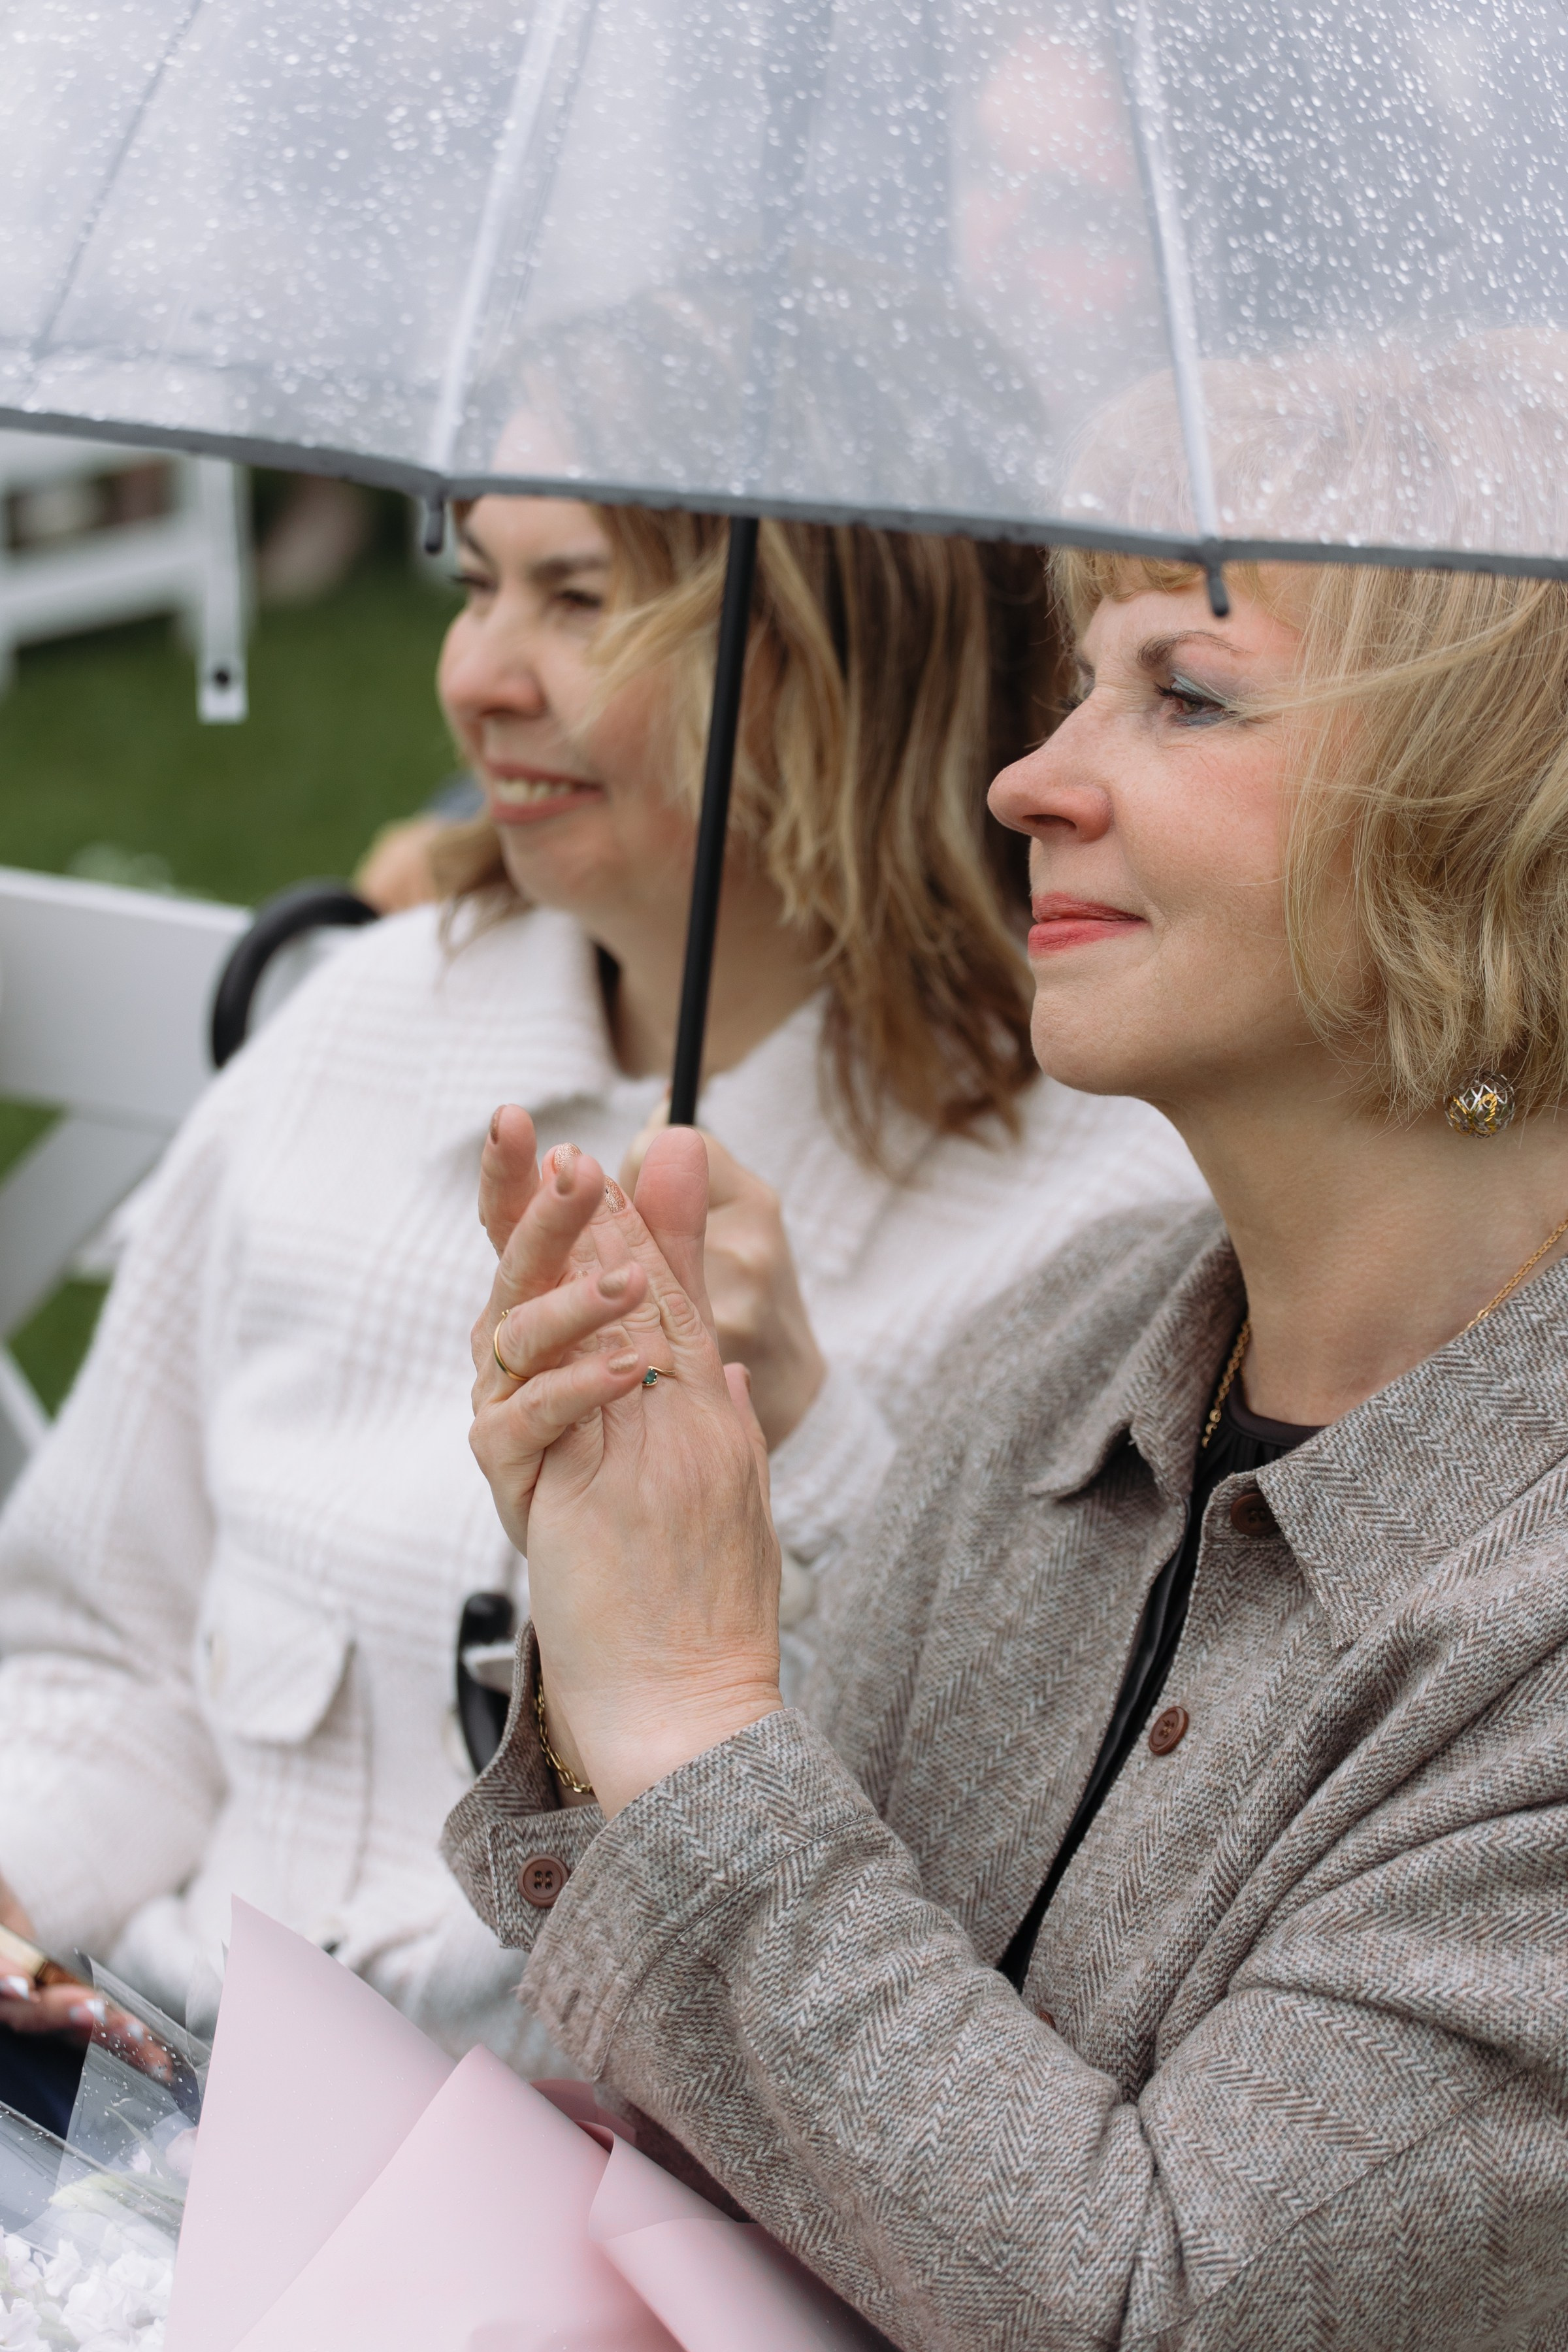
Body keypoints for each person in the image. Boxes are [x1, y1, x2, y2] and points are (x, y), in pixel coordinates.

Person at [447, 350, 1568, 2347]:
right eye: (1078, 683)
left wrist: (690, 1721)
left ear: (1498, 813)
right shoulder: (1067, 1353)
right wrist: (631, 1605)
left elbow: (1160, 2309)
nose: (1028, 778)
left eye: (1188, 693)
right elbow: (732, 2130)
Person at [0, 496, 1202, 2098]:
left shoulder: (1098, 1205)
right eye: (473, 585)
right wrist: (23, 1886)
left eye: (579, 601)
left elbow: (1000, 1875)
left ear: (834, 663)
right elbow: (100, 1645)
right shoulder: (359, 1033)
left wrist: (808, 1451)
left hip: (626, 2191)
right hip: (136, 2099)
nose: (475, 676)